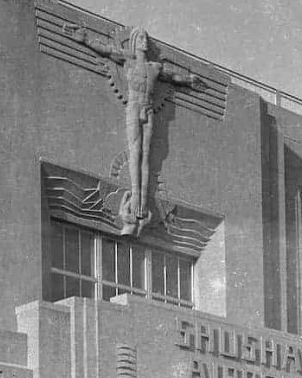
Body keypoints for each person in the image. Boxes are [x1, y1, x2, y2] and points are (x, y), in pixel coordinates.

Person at [67, 25, 203, 236]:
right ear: (133, 41)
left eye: (146, 39)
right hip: (134, 107)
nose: (144, 41)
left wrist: (190, 80)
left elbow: (174, 77)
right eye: (140, 38)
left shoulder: (155, 68)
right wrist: (85, 39)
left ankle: (141, 203)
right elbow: (105, 49)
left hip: (148, 110)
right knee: (135, 153)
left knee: (146, 157)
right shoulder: (127, 60)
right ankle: (135, 197)